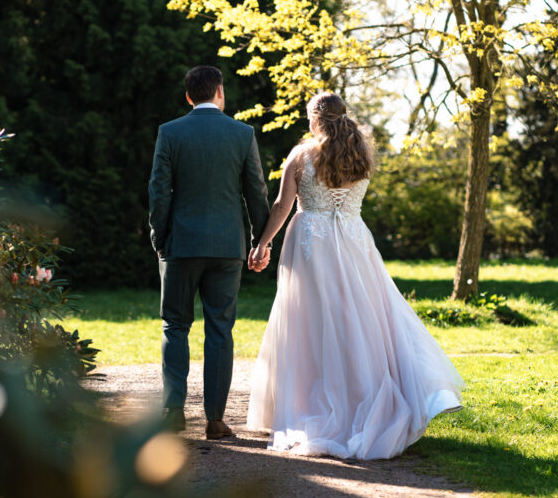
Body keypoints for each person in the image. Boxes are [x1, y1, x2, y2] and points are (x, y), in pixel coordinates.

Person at [246, 92, 464, 460]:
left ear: (314, 117)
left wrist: (262, 243)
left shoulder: (301, 155)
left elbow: (283, 205)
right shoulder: (359, 153)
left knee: (311, 323)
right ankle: (367, 396)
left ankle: (315, 405)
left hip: (312, 244)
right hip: (353, 239)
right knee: (361, 319)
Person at [148, 65, 270, 439]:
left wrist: (160, 237)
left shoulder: (170, 132)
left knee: (175, 326)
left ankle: (173, 413)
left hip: (180, 246)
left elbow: (158, 191)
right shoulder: (242, 133)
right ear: (220, 91)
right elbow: (256, 192)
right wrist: (260, 242)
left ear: (188, 96)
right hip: (226, 248)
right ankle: (216, 420)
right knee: (221, 329)